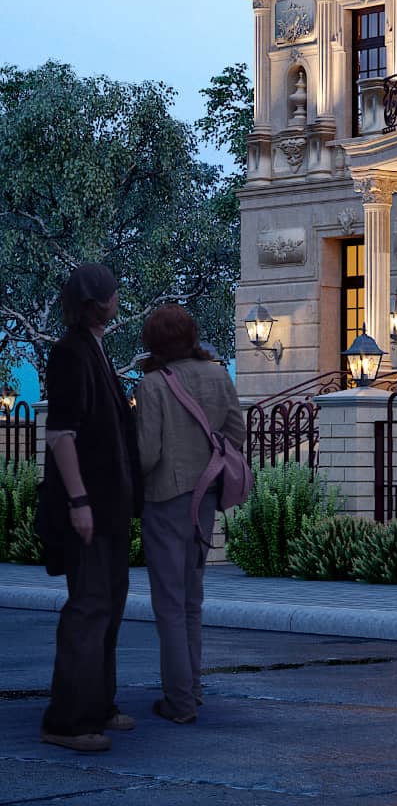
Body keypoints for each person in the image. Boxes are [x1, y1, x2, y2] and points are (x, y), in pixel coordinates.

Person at [38, 262, 140, 753]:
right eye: (113, 294)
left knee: (109, 604)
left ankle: (99, 704)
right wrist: (78, 500)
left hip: (110, 507)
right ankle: (68, 719)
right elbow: (61, 434)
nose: (118, 299)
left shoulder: (95, 350)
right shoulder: (69, 354)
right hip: (89, 506)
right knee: (89, 607)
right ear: (96, 302)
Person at [131, 304, 244, 725]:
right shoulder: (218, 375)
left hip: (165, 499)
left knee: (169, 604)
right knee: (193, 599)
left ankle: (178, 702)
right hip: (207, 495)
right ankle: (192, 688)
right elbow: (235, 435)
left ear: (153, 342)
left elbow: (147, 455)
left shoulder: (154, 384)